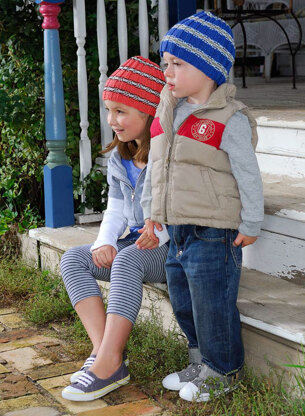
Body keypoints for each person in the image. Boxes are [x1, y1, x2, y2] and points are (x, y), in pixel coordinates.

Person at [137, 11, 264, 402]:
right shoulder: (168, 112)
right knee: (184, 300)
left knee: (212, 303)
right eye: (166, 63)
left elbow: (248, 174)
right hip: (177, 230)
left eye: (178, 64)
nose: (168, 71)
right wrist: (151, 215)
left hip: (214, 231)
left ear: (209, 69)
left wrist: (252, 221)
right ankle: (200, 360)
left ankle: (223, 369)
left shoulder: (229, 118)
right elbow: (156, 169)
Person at [60, 56, 168, 402]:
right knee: (74, 259)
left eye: (121, 111)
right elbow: (118, 207)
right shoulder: (121, 157)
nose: (111, 120)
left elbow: (178, 206)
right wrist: (104, 241)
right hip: (136, 239)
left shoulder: (166, 155)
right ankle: (105, 354)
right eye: (109, 110)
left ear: (148, 112)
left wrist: (159, 233)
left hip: (170, 245)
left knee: (126, 261)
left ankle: (107, 361)